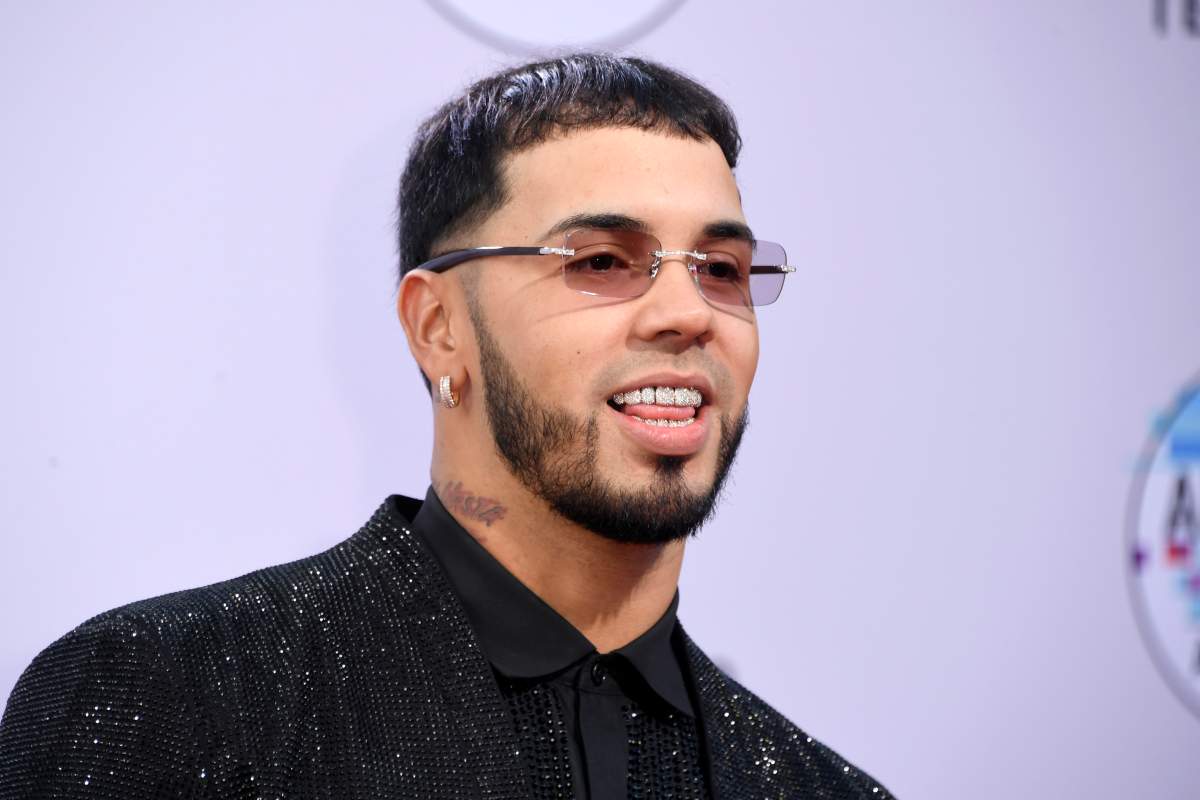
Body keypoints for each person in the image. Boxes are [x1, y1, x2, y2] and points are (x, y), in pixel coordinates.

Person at [0, 53, 891, 799]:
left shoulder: (825, 789)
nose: (688, 313)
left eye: (722, 269)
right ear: (438, 327)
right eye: (602, 261)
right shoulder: (173, 700)